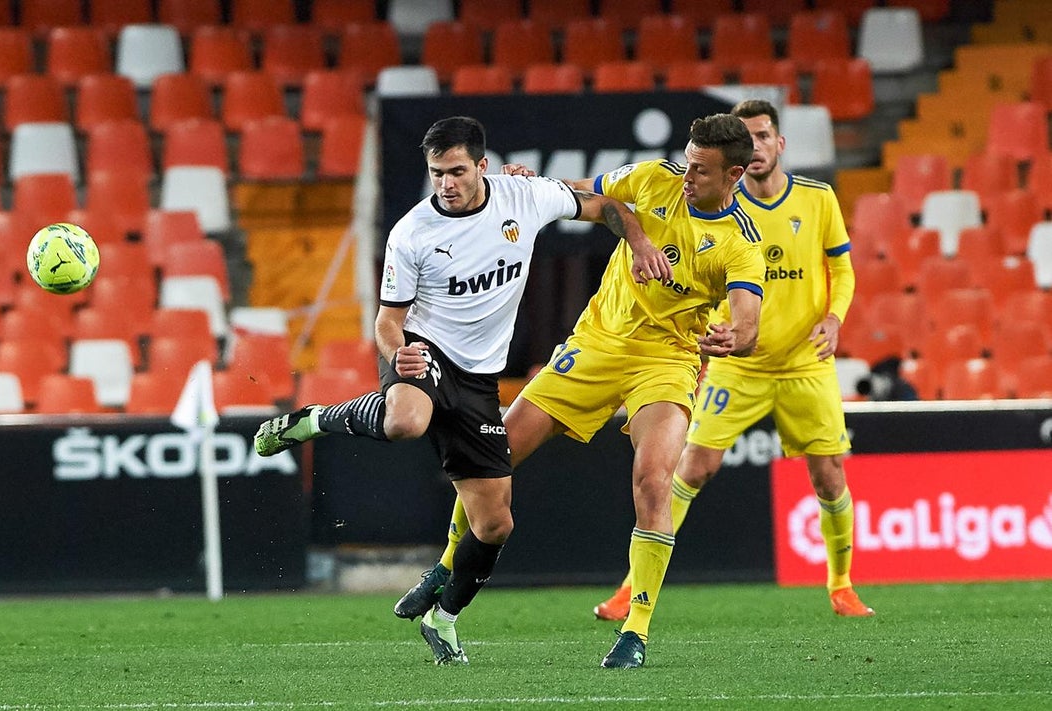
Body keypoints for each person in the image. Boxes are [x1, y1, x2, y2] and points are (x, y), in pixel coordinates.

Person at [253, 115, 673, 666]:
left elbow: (608, 207)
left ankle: (443, 619)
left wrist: (639, 242)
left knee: (496, 523)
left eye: (455, 171)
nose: (445, 184)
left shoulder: (524, 197)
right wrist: (394, 350)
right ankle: (313, 420)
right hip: (423, 350)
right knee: (406, 420)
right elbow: (387, 320)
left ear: (482, 166)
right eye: (435, 173)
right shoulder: (412, 232)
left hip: (479, 380)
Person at [392, 113, 766, 669]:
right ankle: (447, 568)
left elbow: (748, 319)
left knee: (654, 481)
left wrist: (734, 335)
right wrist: (532, 187)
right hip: (593, 346)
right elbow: (590, 198)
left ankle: (635, 630)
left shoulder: (741, 243)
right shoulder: (653, 178)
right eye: (687, 162)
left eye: (701, 170)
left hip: (665, 362)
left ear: (734, 174)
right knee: (493, 457)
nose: (687, 176)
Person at [590, 98, 875, 622]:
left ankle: (842, 584)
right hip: (737, 363)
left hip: (803, 363)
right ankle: (632, 587)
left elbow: (844, 269)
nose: (760, 144)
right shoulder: (709, 207)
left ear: (778, 143)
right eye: (751, 137)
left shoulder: (818, 199)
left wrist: (835, 317)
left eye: (766, 135)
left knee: (829, 474)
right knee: (693, 467)